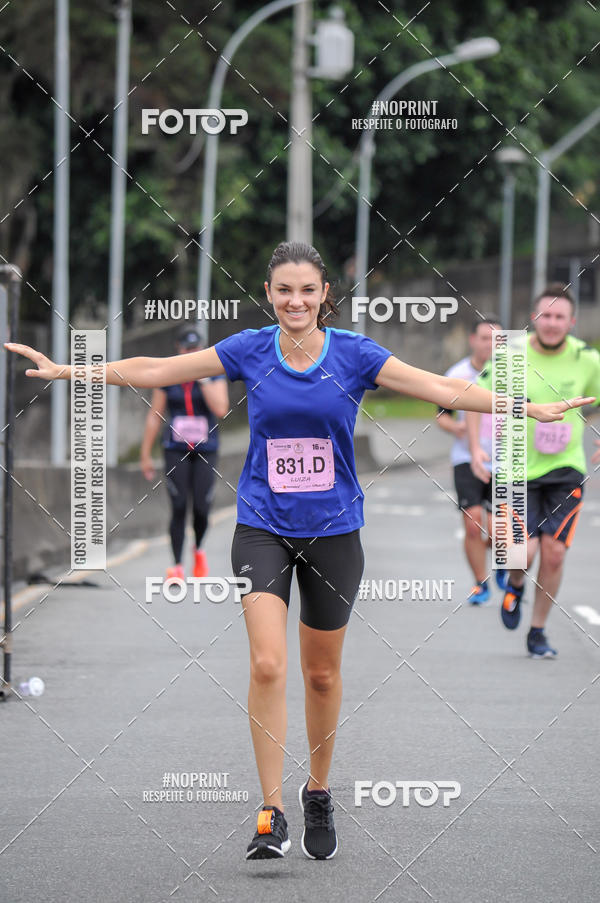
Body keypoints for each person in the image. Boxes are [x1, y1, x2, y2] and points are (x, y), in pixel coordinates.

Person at [5, 245, 591, 862]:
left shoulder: (355, 354)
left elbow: (438, 387)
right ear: (269, 292)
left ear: (323, 294)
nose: (295, 301)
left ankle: (317, 789)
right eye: (284, 290)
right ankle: (270, 809)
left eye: (307, 290)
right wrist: (71, 371)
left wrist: (525, 406)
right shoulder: (249, 349)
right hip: (262, 524)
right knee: (266, 664)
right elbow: (160, 370)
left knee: (320, 672)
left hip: (335, 532)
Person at [468, 284, 600, 658]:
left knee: (555, 554)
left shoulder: (587, 360)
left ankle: (537, 631)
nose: (553, 323)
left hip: (565, 468)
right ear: (534, 319)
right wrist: (476, 448)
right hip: (513, 467)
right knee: (521, 555)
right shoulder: (510, 354)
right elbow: (473, 398)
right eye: (546, 315)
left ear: (572, 322)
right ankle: (515, 584)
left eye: (560, 316)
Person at [140, 326, 229, 580]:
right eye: (187, 349)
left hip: (205, 449)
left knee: (202, 506)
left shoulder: (214, 375)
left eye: (196, 348)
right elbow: (154, 415)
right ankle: (177, 566)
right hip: (175, 448)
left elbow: (221, 408)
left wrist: (202, 377)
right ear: (179, 350)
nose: (192, 352)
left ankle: (199, 549)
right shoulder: (168, 378)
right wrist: (145, 454)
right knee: (178, 504)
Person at [436, 316, 507, 605]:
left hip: (503, 460)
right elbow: (441, 415)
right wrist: (457, 428)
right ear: (473, 340)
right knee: (472, 522)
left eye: (497, 340)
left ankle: (503, 561)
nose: (490, 345)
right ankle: (481, 583)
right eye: (485, 338)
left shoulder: (512, 375)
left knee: (498, 527)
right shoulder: (458, 374)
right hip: (466, 457)